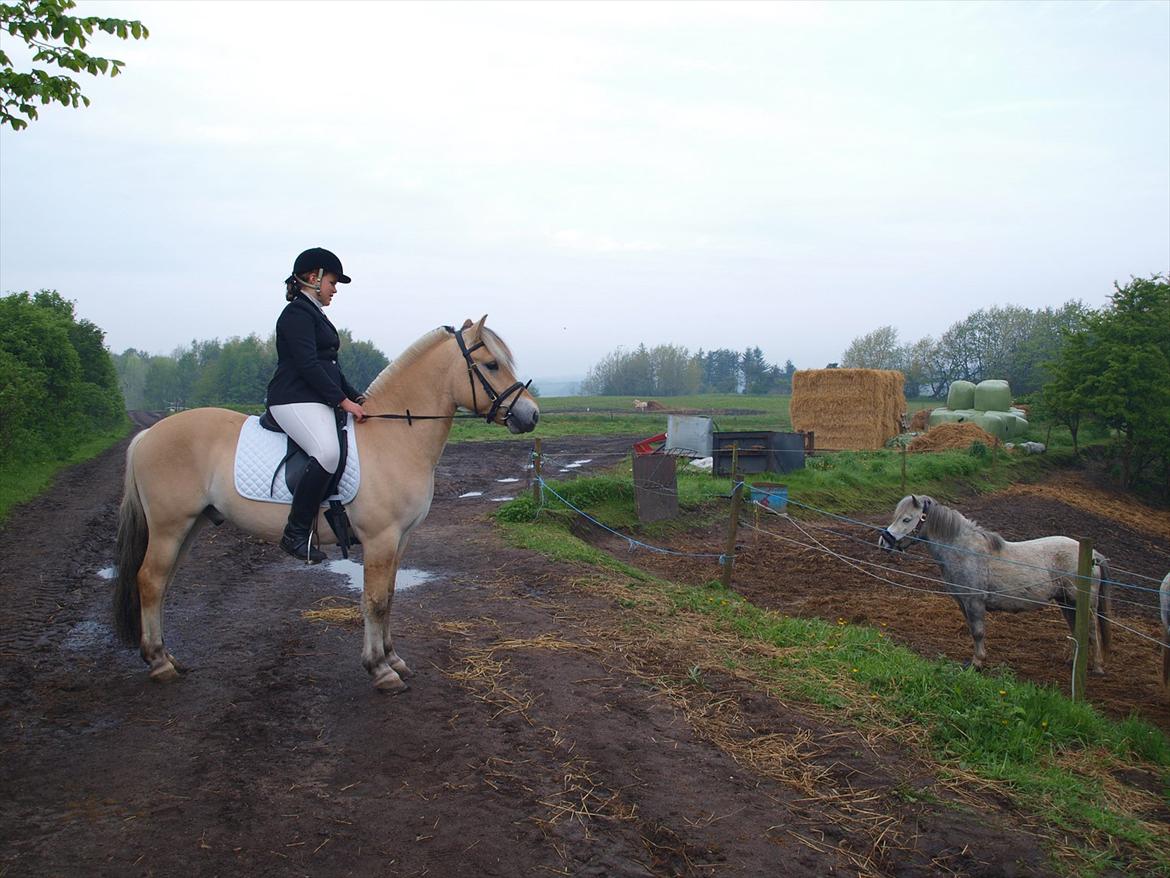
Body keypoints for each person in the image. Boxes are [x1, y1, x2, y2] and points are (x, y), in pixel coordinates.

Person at [266, 247, 367, 562]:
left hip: (311, 397)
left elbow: (330, 367)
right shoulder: (296, 314)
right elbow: (308, 365)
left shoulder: (315, 314)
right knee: (327, 452)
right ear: (314, 278)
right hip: (292, 398)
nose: (335, 290)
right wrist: (341, 401)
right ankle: (295, 534)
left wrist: (357, 396)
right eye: (333, 283)